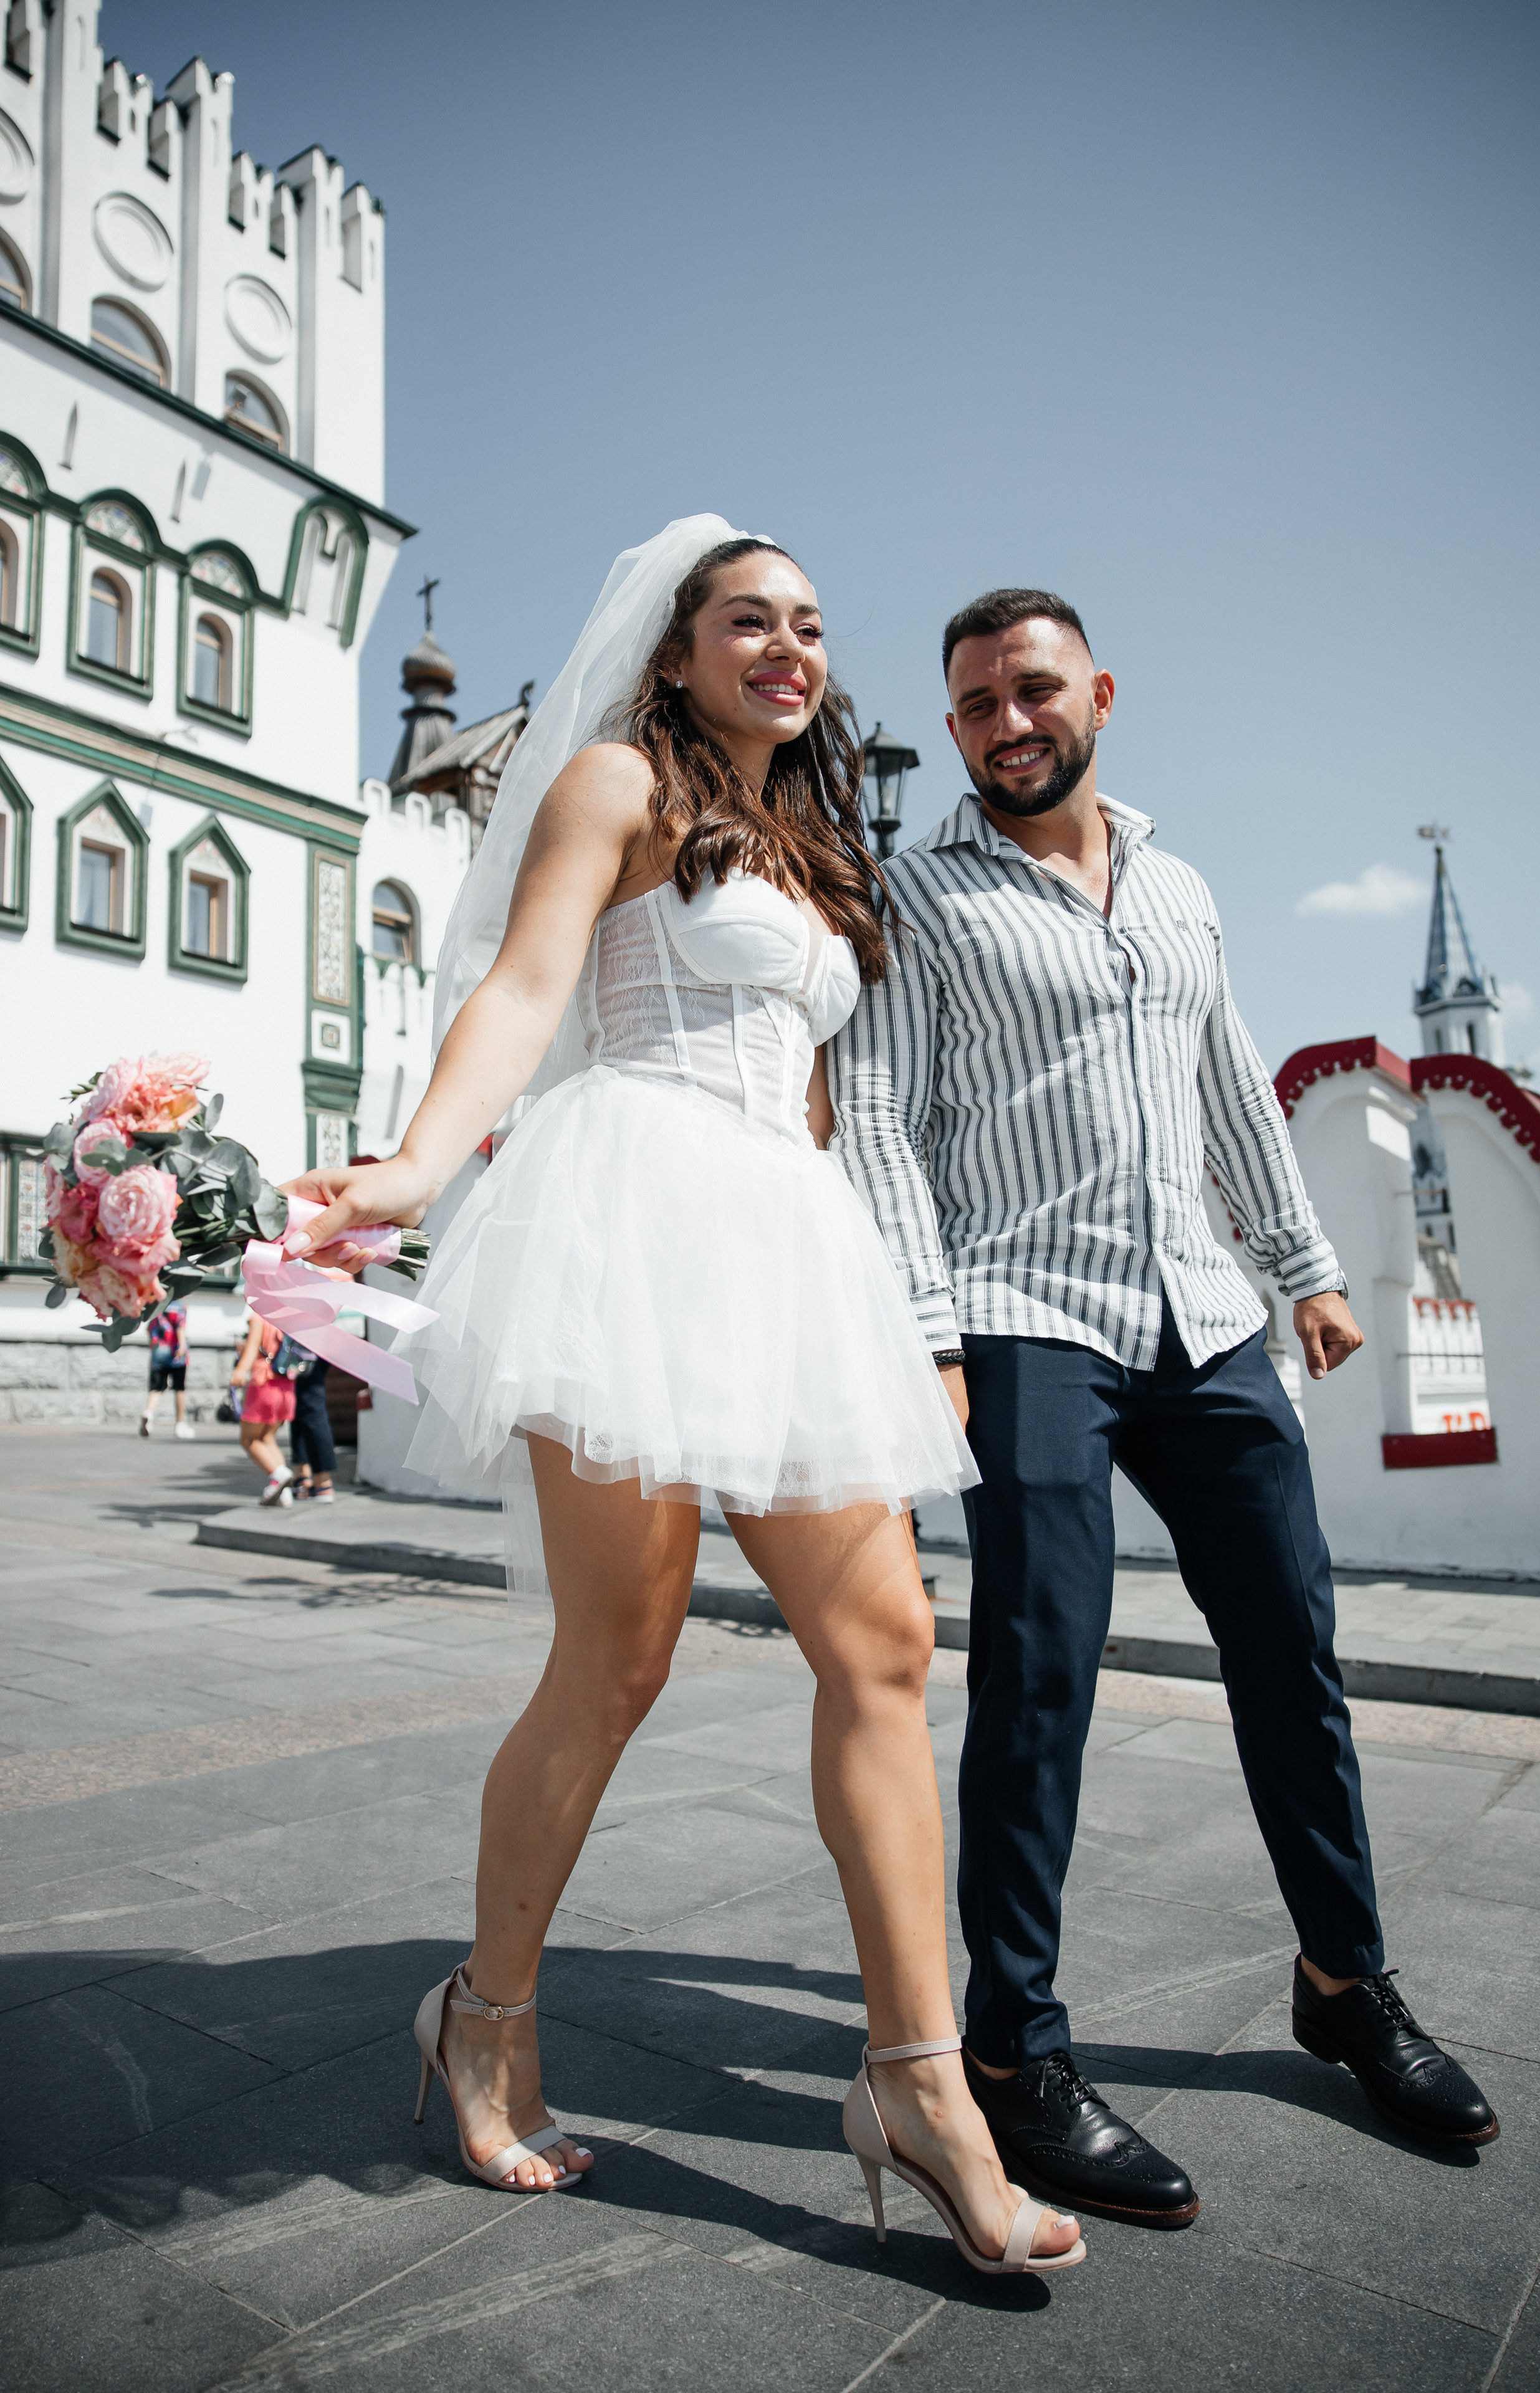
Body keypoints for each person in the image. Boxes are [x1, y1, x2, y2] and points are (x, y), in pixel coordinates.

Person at [279, 520, 1082, 2276]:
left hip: (785, 1241)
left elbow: (821, 1089)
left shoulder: (806, 834)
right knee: (618, 1660)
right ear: (679, 642)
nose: (788, 649)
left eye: (807, 625)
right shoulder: (613, 781)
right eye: (750, 621)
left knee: (883, 1647)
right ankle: (484, 2013)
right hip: (632, 1210)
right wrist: (418, 1164)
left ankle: (919, 2086)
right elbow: (525, 985)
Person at [828, 586, 1499, 2231]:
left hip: (1206, 1324)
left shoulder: (1181, 886)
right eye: (977, 702)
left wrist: (1305, 1266)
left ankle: (1345, 1984)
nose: (1006, 724)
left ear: (1099, 695)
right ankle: (1013, 2053)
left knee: (1294, 1646)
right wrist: (927, 1328)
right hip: (1023, 1316)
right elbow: (878, 1115)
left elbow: (1227, 1078)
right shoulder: (915, 896)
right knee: (1042, 1672)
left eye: (1033, 691)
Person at [232, 1311, 296, 1505]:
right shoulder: (290, 1316)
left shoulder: (260, 1317)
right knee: (267, 1438)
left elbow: (252, 1349)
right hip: (287, 1387)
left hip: (264, 1383)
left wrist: (239, 1371)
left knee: (248, 1439)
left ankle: (279, 1475)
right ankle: (284, 1495)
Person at [140, 1299, 193, 1440]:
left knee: (157, 1388)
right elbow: (180, 1327)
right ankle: (180, 1424)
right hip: (176, 1353)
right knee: (179, 1389)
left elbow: (149, 1329)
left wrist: (154, 1348)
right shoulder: (179, 1307)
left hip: (159, 1351)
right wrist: (182, 1346)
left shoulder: (157, 1305)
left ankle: (149, 1414)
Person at [289, 1354, 337, 1504]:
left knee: (311, 1404)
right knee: (298, 1404)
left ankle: (323, 1482)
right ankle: (303, 1476)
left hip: (307, 1342)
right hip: (307, 1341)